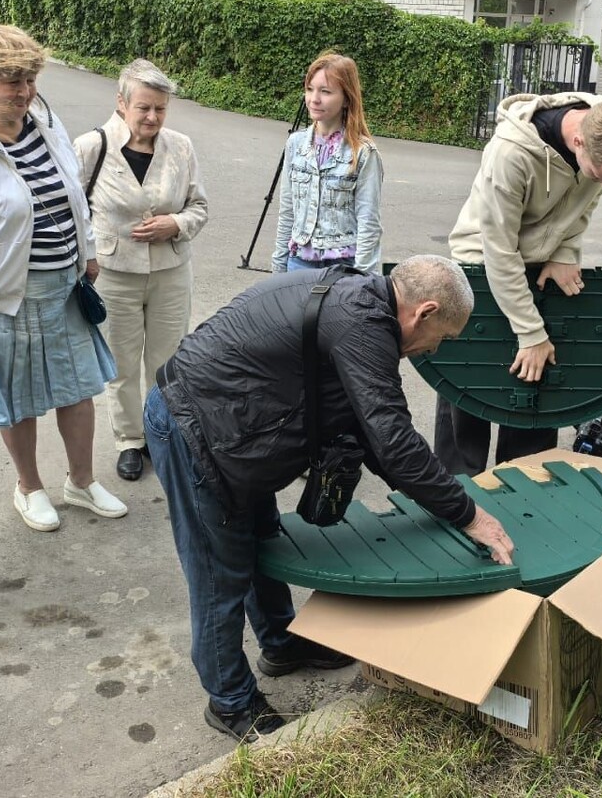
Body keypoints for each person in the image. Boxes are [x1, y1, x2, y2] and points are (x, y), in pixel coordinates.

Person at [143, 255, 515, 741]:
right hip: (196, 429)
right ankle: (230, 701)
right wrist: (469, 516)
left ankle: (283, 644)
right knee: (219, 570)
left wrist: (439, 501)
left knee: (260, 539)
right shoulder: (362, 324)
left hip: (235, 426)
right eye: (442, 337)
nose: (432, 351)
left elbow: (377, 436)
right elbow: (393, 440)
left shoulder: (366, 307)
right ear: (423, 312)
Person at [0, 24, 126, 532]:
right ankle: (29, 487)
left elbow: (74, 190)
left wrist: (88, 250)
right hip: (3, 293)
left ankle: (80, 480)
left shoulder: (41, 119)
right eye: (11, 81)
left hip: (62, 284)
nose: (24, 91)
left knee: (78, 386)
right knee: (17, 395)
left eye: (29, 79)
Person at [435, 93, 602, 476]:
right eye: (600, 173)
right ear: (579, 139)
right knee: (470, 380)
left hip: (540, 258)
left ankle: (524, 481)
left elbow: (585, 205)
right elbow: (498, 250)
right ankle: (455, 489)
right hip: (481, 262)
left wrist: (565, 251)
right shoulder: (511, 153)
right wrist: (530, 332)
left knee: (536, 383)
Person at [73, 59, 209, 483]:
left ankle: (162, 435)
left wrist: (177, 224)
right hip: (113, 272)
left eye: (161, 109)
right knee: (121, 363)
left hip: (170, 269)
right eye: (144, 108)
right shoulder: (91, 147)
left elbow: (199, 207)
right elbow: (73, 212)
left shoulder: (181, 147)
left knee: (167, 360)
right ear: (122, 103)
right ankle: (130, 440)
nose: (152, 117)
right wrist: (82, 260)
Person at [271, 51, 383, 274]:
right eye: (310, 89)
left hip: (343, 267)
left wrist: (362, 281)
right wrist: (278, 267)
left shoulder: (363, 153)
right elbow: (287, 213)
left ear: (346, 98)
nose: (314, 99)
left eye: (325, 91)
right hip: (299, 263)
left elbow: (368, 224)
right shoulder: (295, 144)